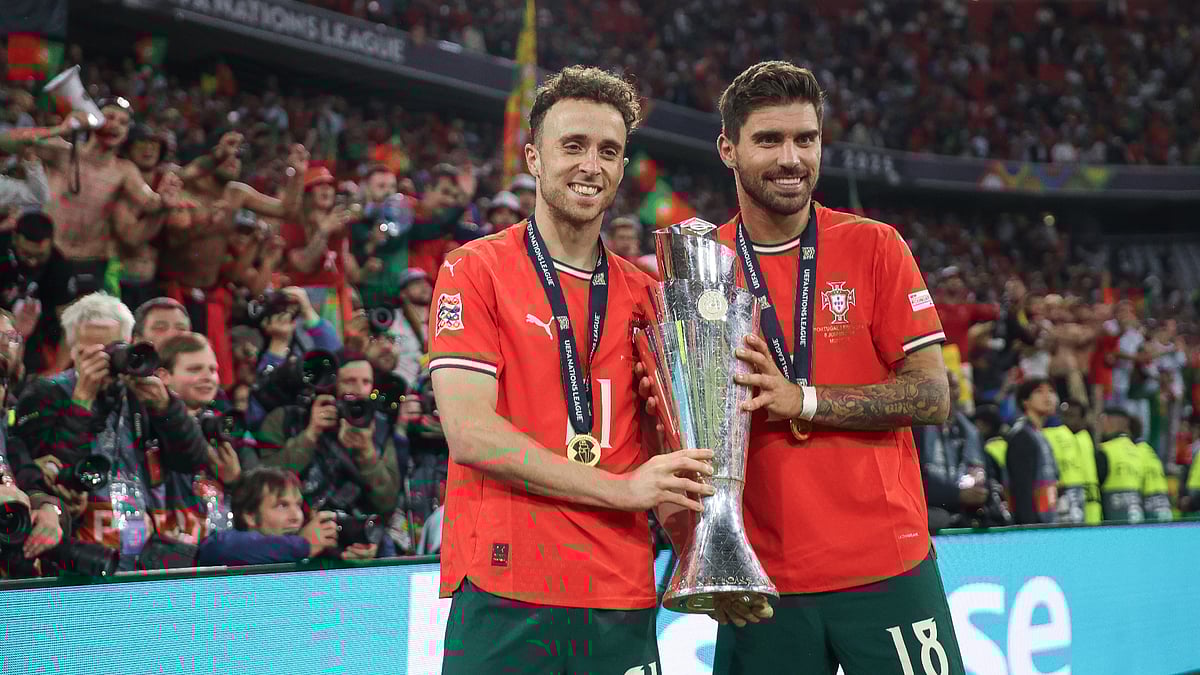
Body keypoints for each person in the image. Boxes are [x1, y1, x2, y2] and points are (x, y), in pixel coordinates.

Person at [672, 61, 963, 675]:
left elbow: (933, 396)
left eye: (806, 139)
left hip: (886, 565)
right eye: (769, 140)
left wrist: (801, 399)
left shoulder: (875, 245)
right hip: (762, 582)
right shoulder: (700, 269)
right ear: (728, 149)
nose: (791, 158)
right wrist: (697, 550)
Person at [429, 65, 714, 675]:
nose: (591, 165)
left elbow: (664, 444)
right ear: (534, 157)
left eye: (609, 151)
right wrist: (622, 490)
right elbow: (470, 431)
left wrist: (705, 553)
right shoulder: (474, 271)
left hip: (619, 591)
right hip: (507, 588)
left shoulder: (649, 294)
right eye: (573, 146)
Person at [14, 292, 210, 570]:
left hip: (144, 551)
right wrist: (82, 401)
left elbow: (191, 461)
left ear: (129, 344)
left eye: (112, 348)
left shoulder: (141, 392)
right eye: (91, 351)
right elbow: (47, 476)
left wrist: (167, 409)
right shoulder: (46, 393)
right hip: (83, 555)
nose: (105, 359)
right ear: (72, 350)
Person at [255, 350, 397, 559]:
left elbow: (387, 502)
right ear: (330, 382)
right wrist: (311, 434)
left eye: (366, 382)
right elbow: (265, 486)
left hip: (356, 539)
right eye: (349, 381)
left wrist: (366, 453)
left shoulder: (380, 430)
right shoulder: (287, 419)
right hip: (297, 542)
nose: (358, 390)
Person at [197, 466, 367, 566]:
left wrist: (354, 553)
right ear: (250, 515)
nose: (296, 516)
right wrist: (304, 544)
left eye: (298, 505)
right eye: (282, 505)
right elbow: (216, 549)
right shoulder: (224, 545)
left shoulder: (305, 553)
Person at [914, 370, 989, 532]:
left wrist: (981, 491)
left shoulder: (970, 431)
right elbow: (913, 479)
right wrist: (955, 495)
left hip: (968, 512)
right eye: (943, 385)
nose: (948, 391)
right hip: (929, 510)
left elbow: (981, 471)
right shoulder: (915, 429)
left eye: (953, 385)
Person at [1004, 377, 1060, 525]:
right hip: (1033, 526)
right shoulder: (1022, 436)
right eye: (1039, 391)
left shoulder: (1039, 435)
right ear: (1025, 401)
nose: (1047, 396)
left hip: (1046, 521)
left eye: (1051, 391)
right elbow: (1022, 489)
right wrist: (1029, 528)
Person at [1042, 398, 1102, 525]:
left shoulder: (1087, 441)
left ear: (1083, 420)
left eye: (1072, 416)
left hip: (1090, 507)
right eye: (1063, 416)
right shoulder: (1051, 436)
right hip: (1065, 504)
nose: (1066, 420)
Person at [1094, 407, 1146, 522]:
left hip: (1113, 523)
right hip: (1138, 519)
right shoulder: (1139, 451)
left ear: (1106, 421)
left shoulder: (1105, 451)